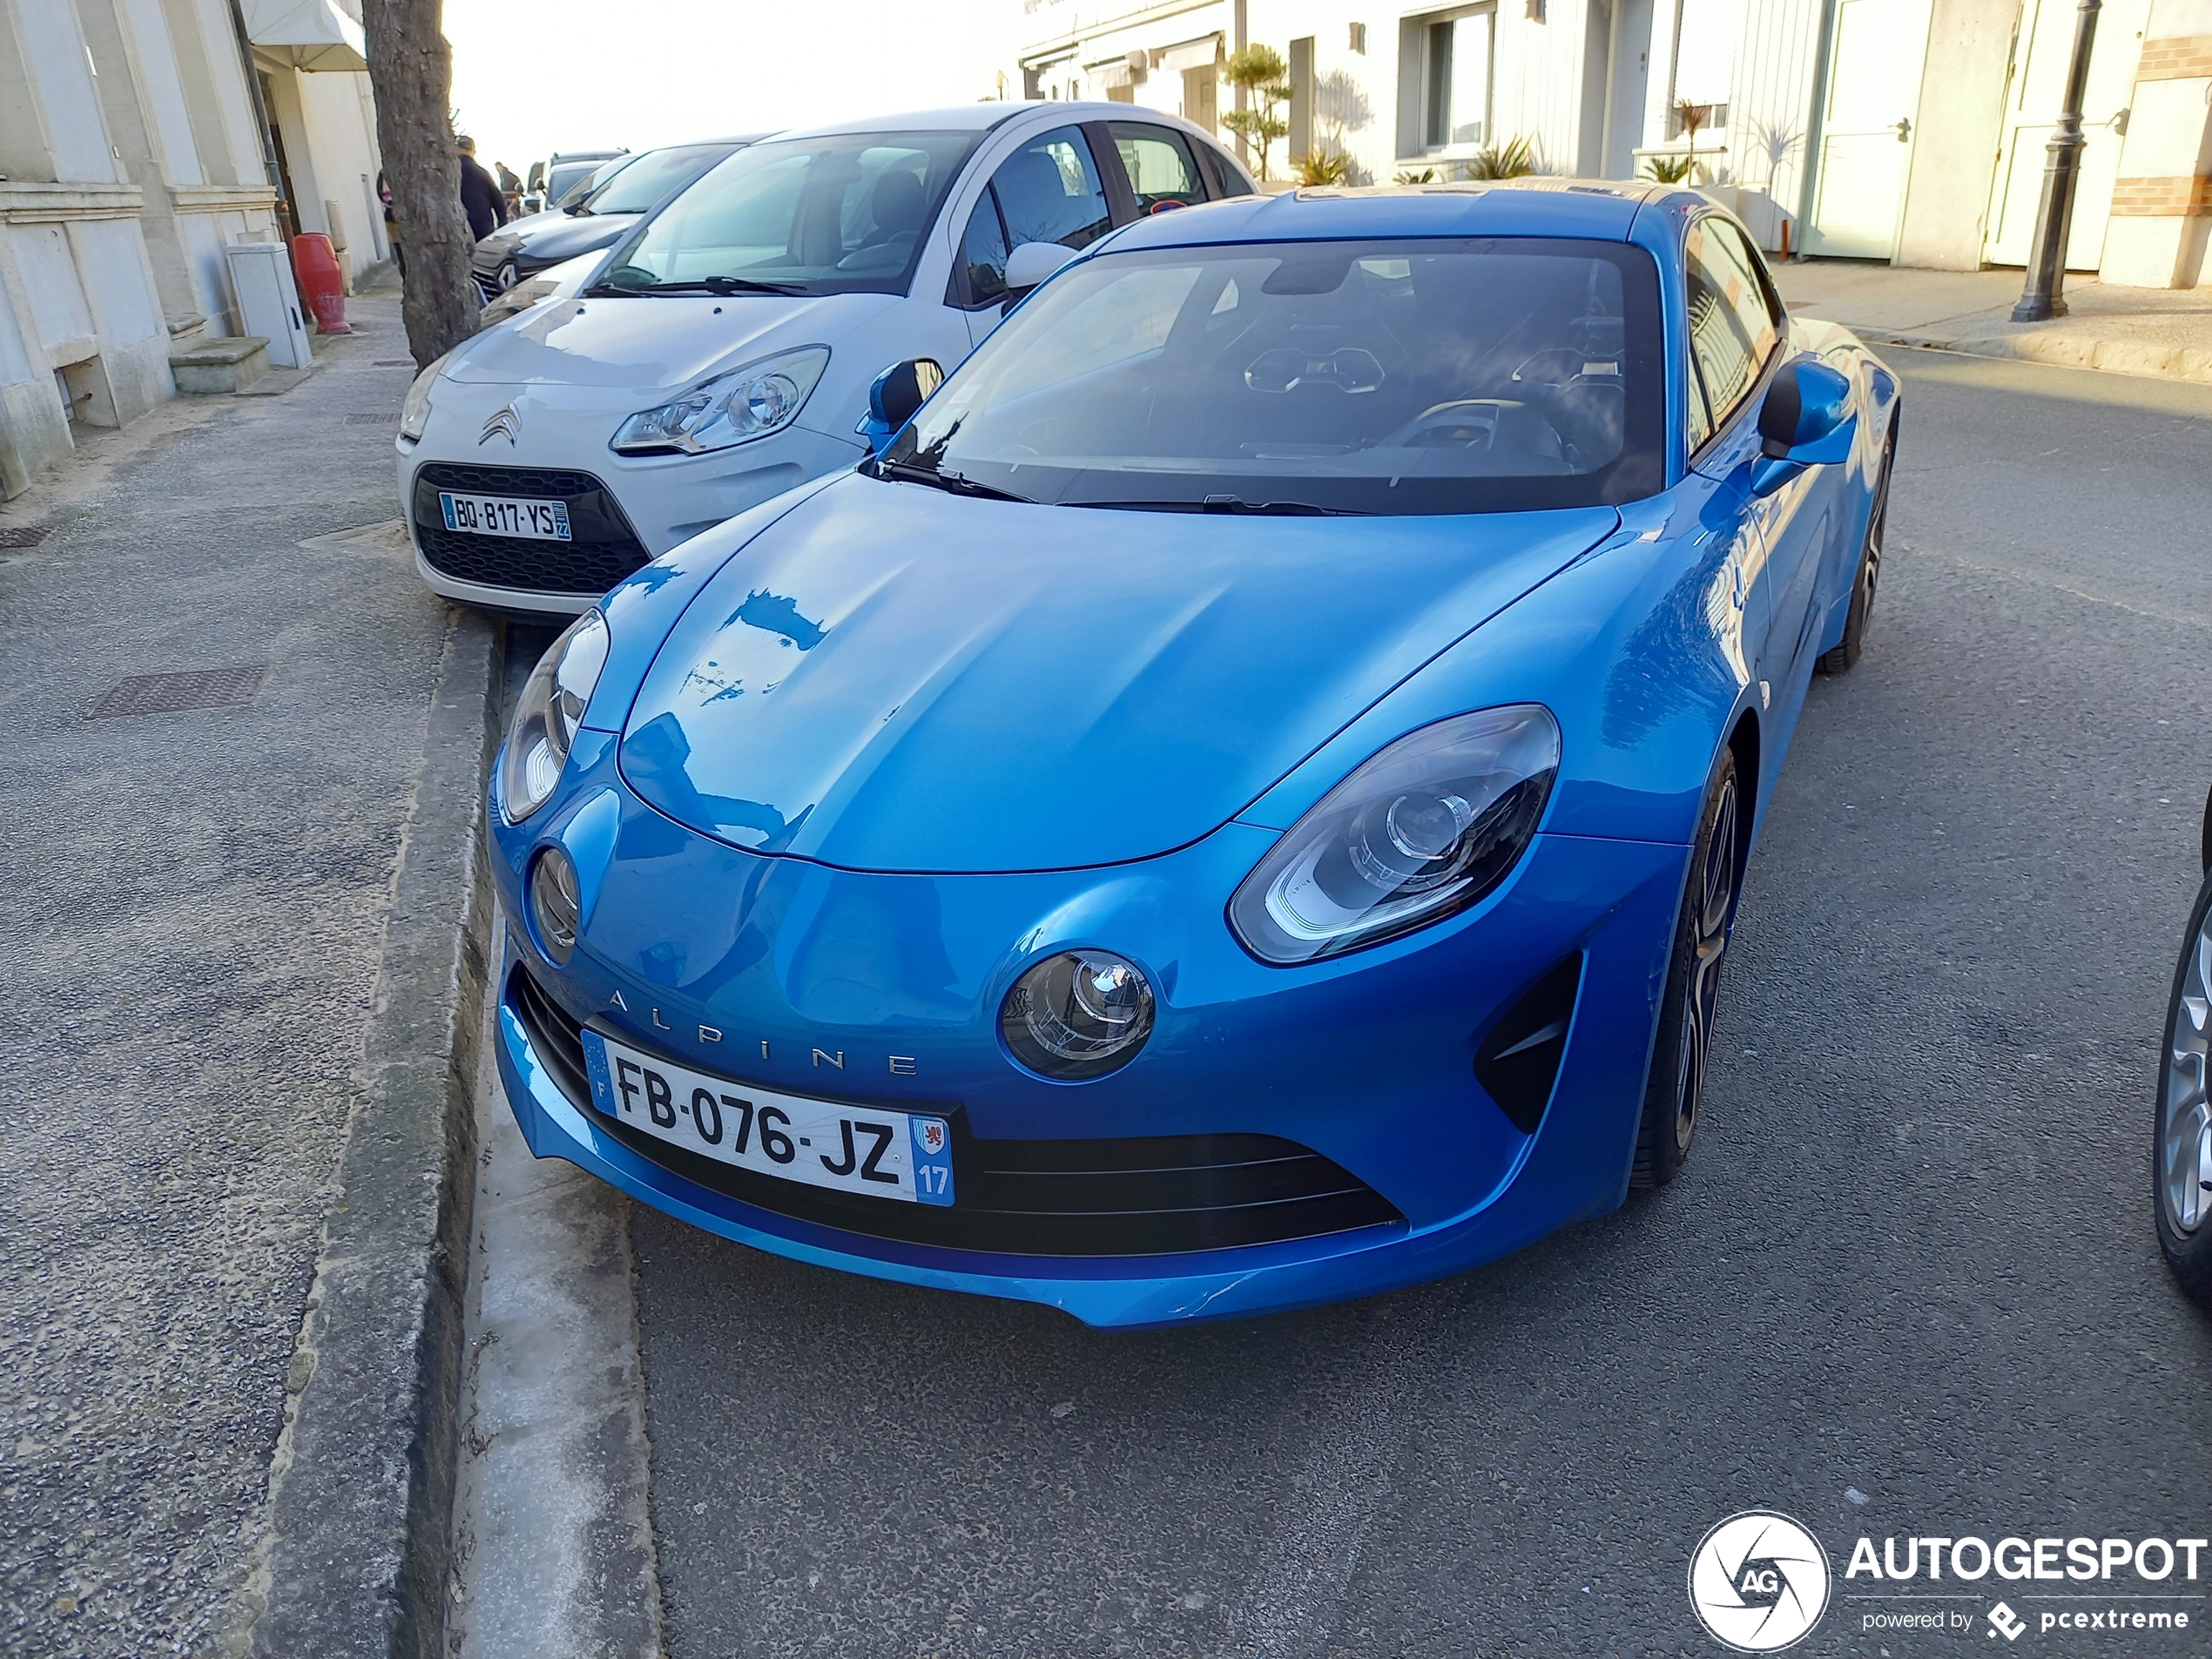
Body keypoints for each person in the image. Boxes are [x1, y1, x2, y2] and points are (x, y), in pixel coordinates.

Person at [455, 136, 507, 242]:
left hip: (456, 229)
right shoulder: (482, 173)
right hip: (482, 228)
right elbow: (498, 200)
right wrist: (502, 224)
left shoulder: (447, 173)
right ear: (473, 152)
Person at [377, 169, 402, 279]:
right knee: (402, 252)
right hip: (396, 216)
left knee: (401, 251)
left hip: (393, 215)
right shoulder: (386, 173)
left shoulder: (385, 172)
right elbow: (388, 199)